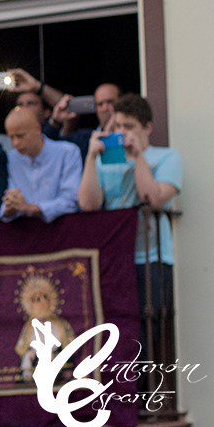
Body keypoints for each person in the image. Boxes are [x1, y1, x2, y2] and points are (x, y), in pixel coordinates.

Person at [78, 94, 180, 345]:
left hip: (151, 258)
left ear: (147, 128)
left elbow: (152, 198)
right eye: (118, 126)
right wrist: (91, 157)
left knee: (147, 330)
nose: (122, 132)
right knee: (114, 327)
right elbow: (88, 204)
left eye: (129, 126)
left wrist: (138, 157)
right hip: (114, 257)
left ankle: (142, 384)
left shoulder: (167, 157)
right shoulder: (106, 159)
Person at [0, 107, 81, 223]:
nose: (15, 143)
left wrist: (32, 208)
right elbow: (7, 205)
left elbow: (71, 202)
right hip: (25, 236)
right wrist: (9, 208)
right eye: (11, 137)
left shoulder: (68, 152)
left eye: (20, 136)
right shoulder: (11, 158)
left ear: (38, 129)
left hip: (62, 233)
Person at [46, 82, 121, 159]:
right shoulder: (85, 138)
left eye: (110, 102)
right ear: (95, 108)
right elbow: (49, 148)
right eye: (100, 104)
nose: (105, 108)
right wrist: (55, 121)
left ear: (121, 101)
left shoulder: (131, 134)